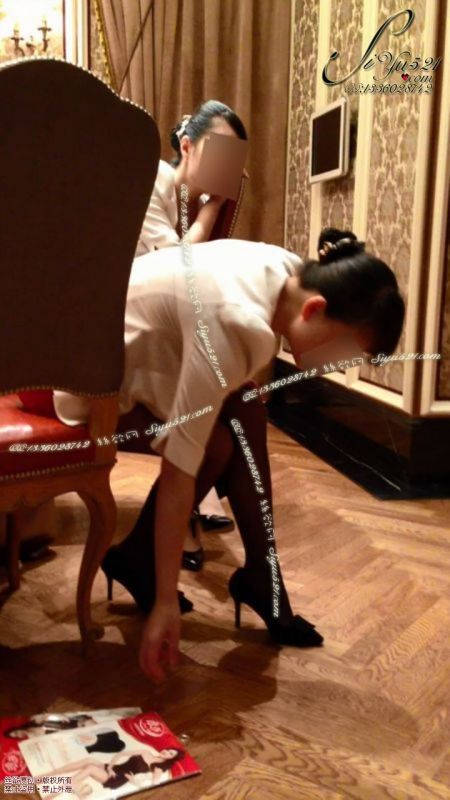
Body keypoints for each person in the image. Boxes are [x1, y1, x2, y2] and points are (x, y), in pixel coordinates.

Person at [53, 227, 405, 681]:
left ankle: (256, 573)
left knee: (244, 405)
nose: (338, 365)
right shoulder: (239, 321)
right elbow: (179, 469)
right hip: (89, 381)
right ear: (315, 309)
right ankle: (202, 570)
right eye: (344, 350)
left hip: (128, 351)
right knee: (215, 446)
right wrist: (165, 602)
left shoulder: (286, 269)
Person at [136, 99, 249, 570]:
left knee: (242, 402)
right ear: (186, 146)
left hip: (164, 329)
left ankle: (255, 562)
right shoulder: (154, 181)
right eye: (217, 151)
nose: (226, 167)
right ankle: (252, 562)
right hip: (123, 332)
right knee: (239, 408)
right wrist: (213, 209)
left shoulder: (192, 204)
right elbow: (174, 268)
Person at [36, 747, 184, 796]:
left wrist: (134, 781)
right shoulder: (145, 752)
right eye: (168, 750)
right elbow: (121, 754)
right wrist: (111, 767)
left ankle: (53, 794)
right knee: (89, 760)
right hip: (114, 769)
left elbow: (152, 787)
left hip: (118, 779)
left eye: (170, 754)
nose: (166, 752)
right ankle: (45, 777)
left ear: (171, 759)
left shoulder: (158, 769)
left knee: (90, 768)